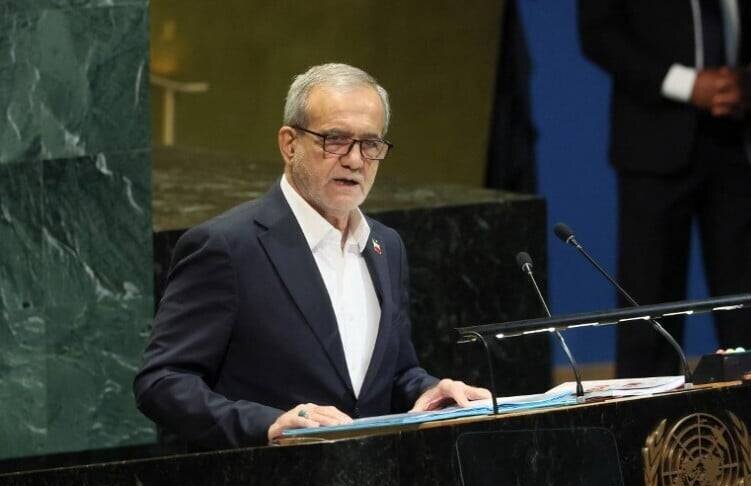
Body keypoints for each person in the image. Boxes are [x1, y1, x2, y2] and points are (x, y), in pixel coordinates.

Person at [134, 63, 490, 449]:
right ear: (289, 144)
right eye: (335, 139)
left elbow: (393, 372)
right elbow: (162, 381)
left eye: (370, 144)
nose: (355, 160)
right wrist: (268, 424)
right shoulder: (228, 247)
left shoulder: (386, 246)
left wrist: (431, 390)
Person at [578, 0, 751, 376]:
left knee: (748, 323)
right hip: (652, 146)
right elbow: (599, 32)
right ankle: (647, 433)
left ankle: (750, 430)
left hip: (745, 143)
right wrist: (688, 84)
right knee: (648, 321)